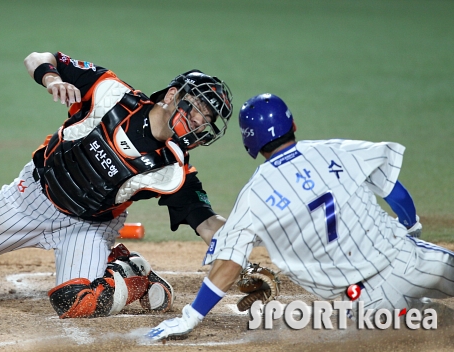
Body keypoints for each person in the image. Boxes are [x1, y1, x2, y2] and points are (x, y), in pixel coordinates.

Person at [0, 51, 233, 319]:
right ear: (173, 94)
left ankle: (132, 276)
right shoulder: (110, 91)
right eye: (199, 107)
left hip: (87, 227)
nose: (200, 121)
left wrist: (236, 241)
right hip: (29, 199)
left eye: (207, 118)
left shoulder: (174, 170)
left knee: (78, 303)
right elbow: (38, 58)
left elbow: (205, 220)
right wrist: (52, 78)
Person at [146, 93, 454, 340]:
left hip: (366, 298)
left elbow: (228, 264)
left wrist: (191, 317)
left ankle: (418, 313)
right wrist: (412, 229)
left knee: (419, 326)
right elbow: (394, 190)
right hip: (410, 259)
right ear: (292, 125)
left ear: (249, 142)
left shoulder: (255, 194)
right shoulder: (335, 150)